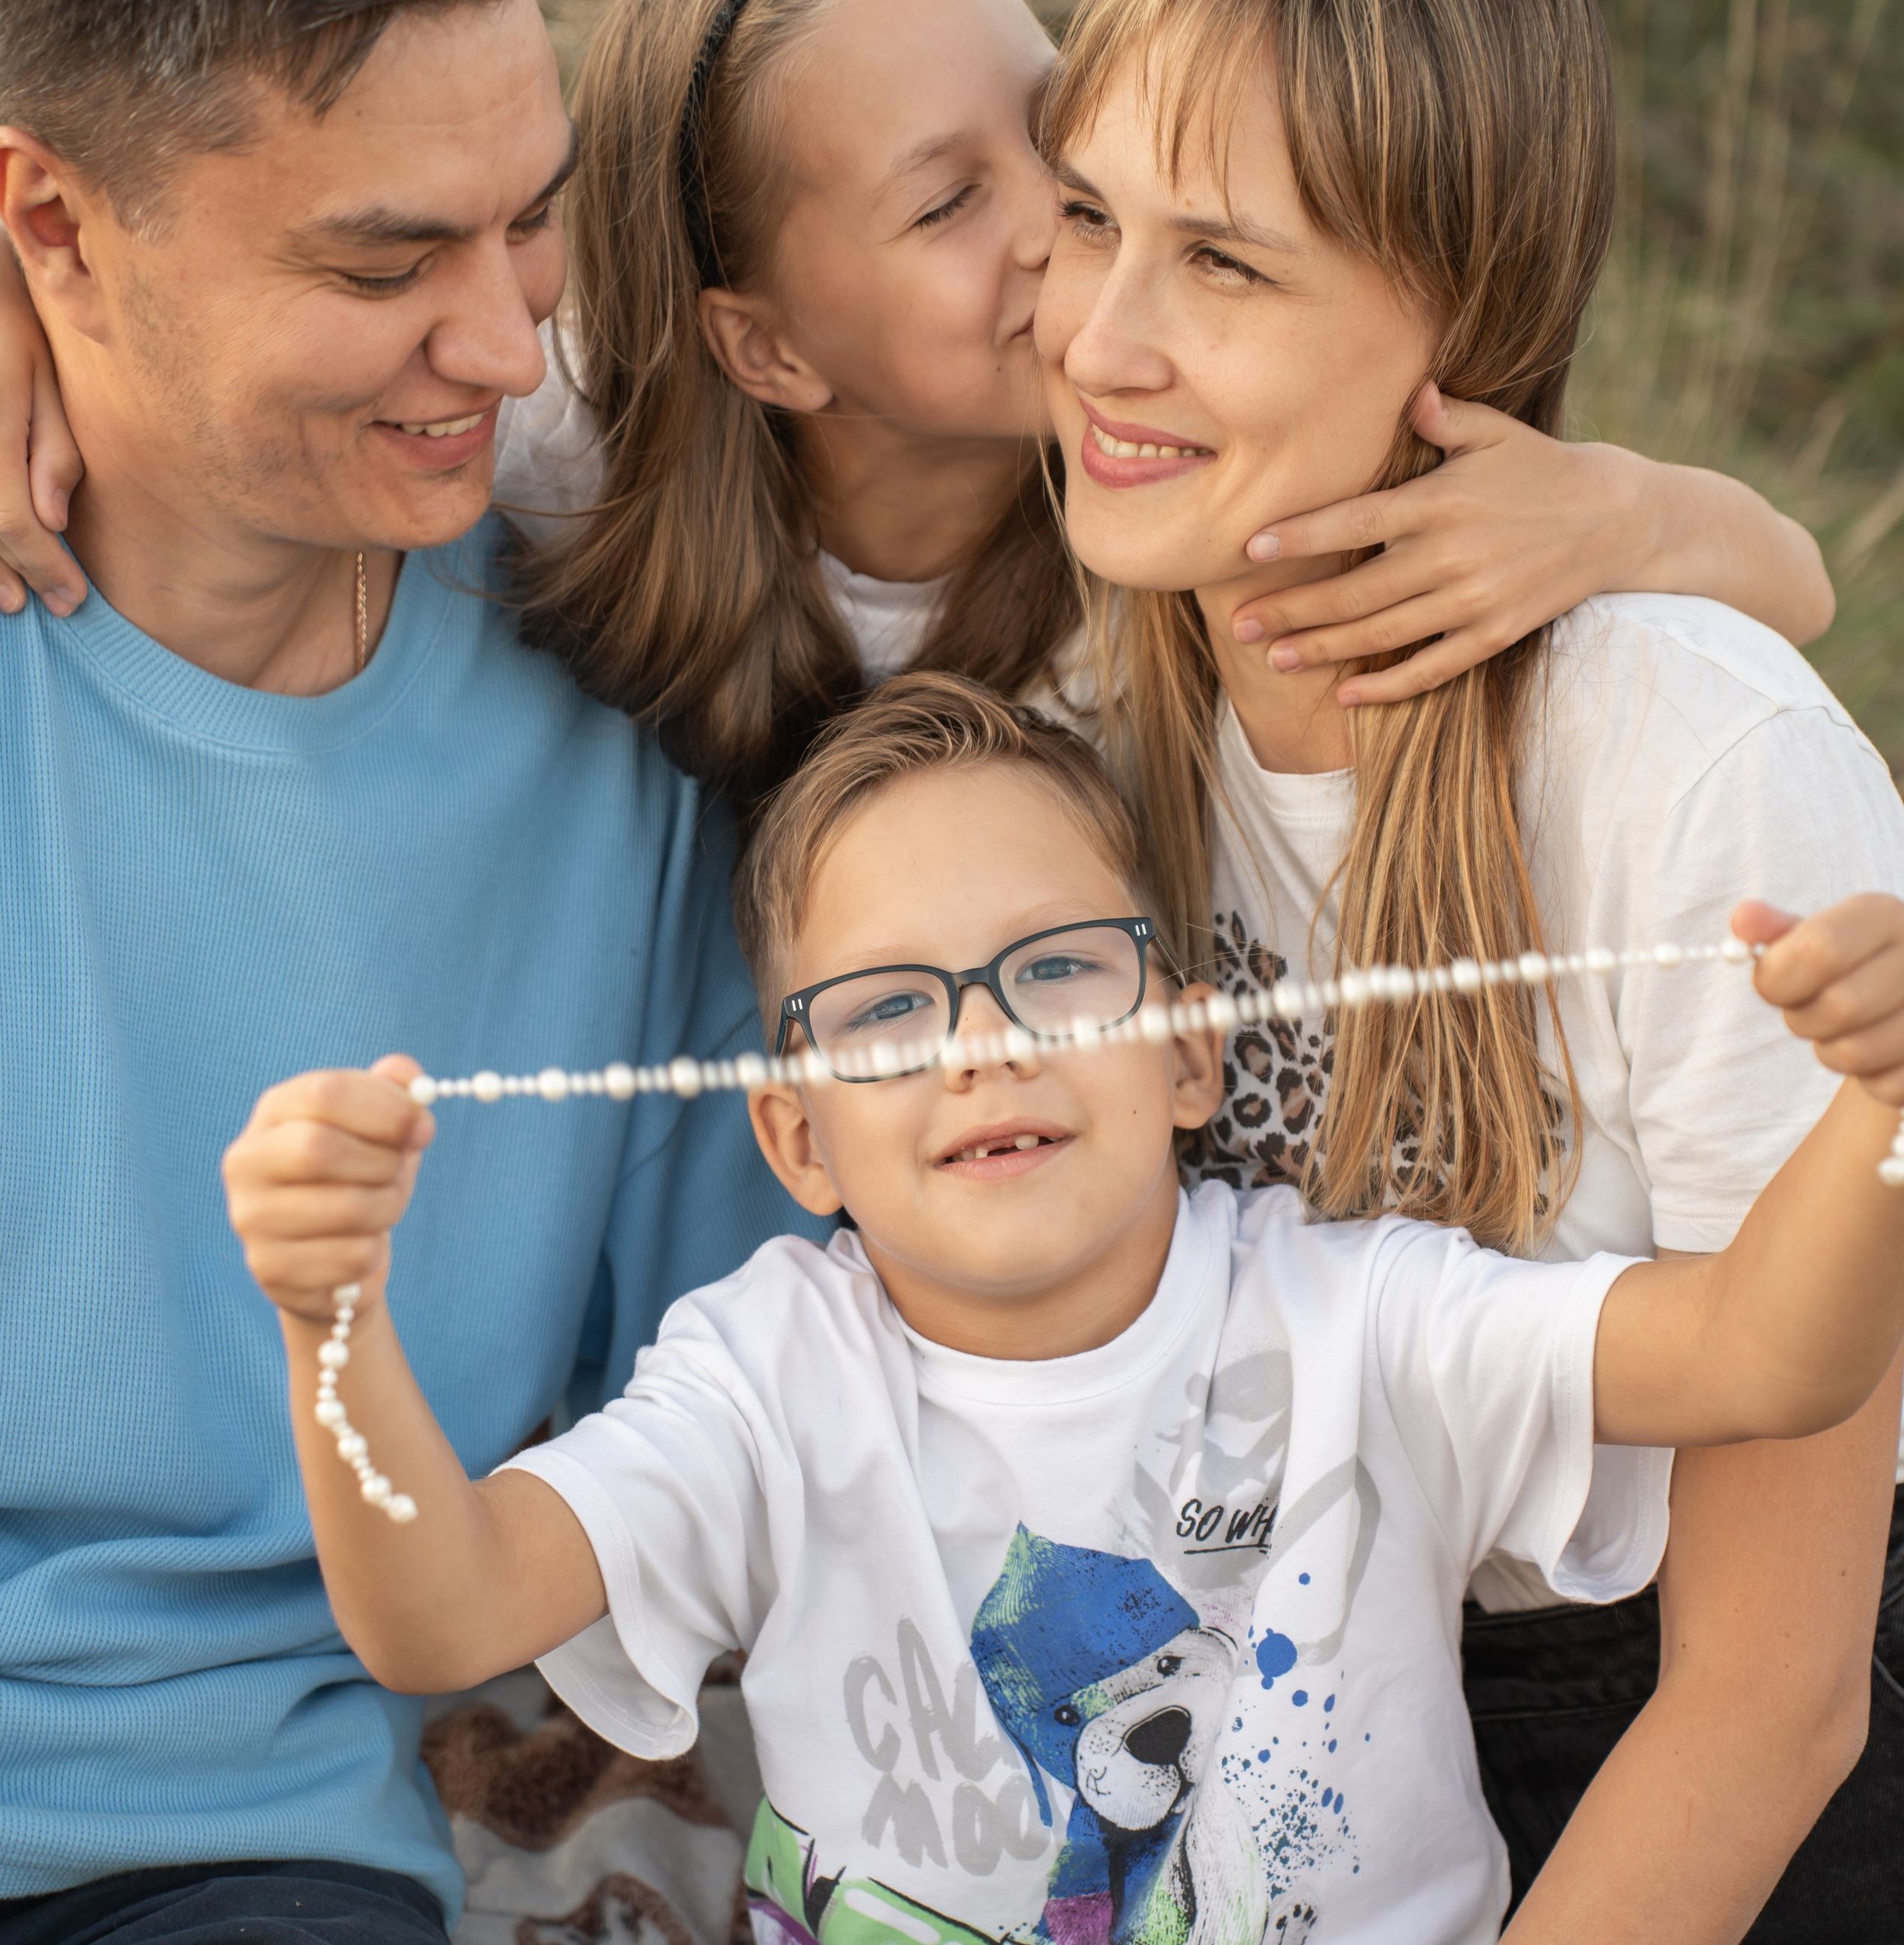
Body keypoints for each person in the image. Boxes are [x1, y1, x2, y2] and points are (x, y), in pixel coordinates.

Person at [220, 672, 1904, 1945]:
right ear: (796, 1138)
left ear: (1190, 1053)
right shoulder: (765, 1380)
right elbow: (440, 1618)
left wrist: (1873, 1118)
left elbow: (1766, 1355)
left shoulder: (1362, 1319)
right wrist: (330, 1323)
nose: (982, 1043)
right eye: (887, 1009)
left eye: (1053, 967)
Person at [1034, 0, 1904, 1937]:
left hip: (1701, 1704)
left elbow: (1773, 1698)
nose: (1096, 338)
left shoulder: (1688, 757)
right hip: (1304, 1687)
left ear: (1458, 315)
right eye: (1084, 219)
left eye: (1223, 262)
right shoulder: (1075, 726)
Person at [0, 2, 821, 1940]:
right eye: (383, 264)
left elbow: (754, 1387)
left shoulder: (621, 704)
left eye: (530, 221)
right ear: (58, 227)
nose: (508, 345)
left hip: (225, 1853)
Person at [0, 0, 1839, 803]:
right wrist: (6, 279)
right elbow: (222, 317)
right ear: (765, 349)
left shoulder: (1172, 486)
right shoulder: (551, 441)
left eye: (1063, 150)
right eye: (948, 207)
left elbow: (1787, 591)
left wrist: (1628, 510)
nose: (1065, 245)